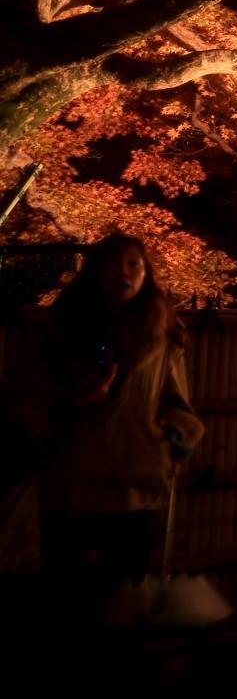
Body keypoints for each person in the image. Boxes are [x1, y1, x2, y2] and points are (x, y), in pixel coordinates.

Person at [12, 234, 203, 614]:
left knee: (128, 601)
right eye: (114, 264)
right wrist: (71, 402)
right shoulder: (61, 328)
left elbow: (176, 403)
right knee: (67, 602)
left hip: (134, 483)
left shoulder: (160, 334)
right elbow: (27, 397)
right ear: (94, 271)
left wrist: (171, 438)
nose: (125, 273)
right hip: (72, 484)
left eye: (134, 264)